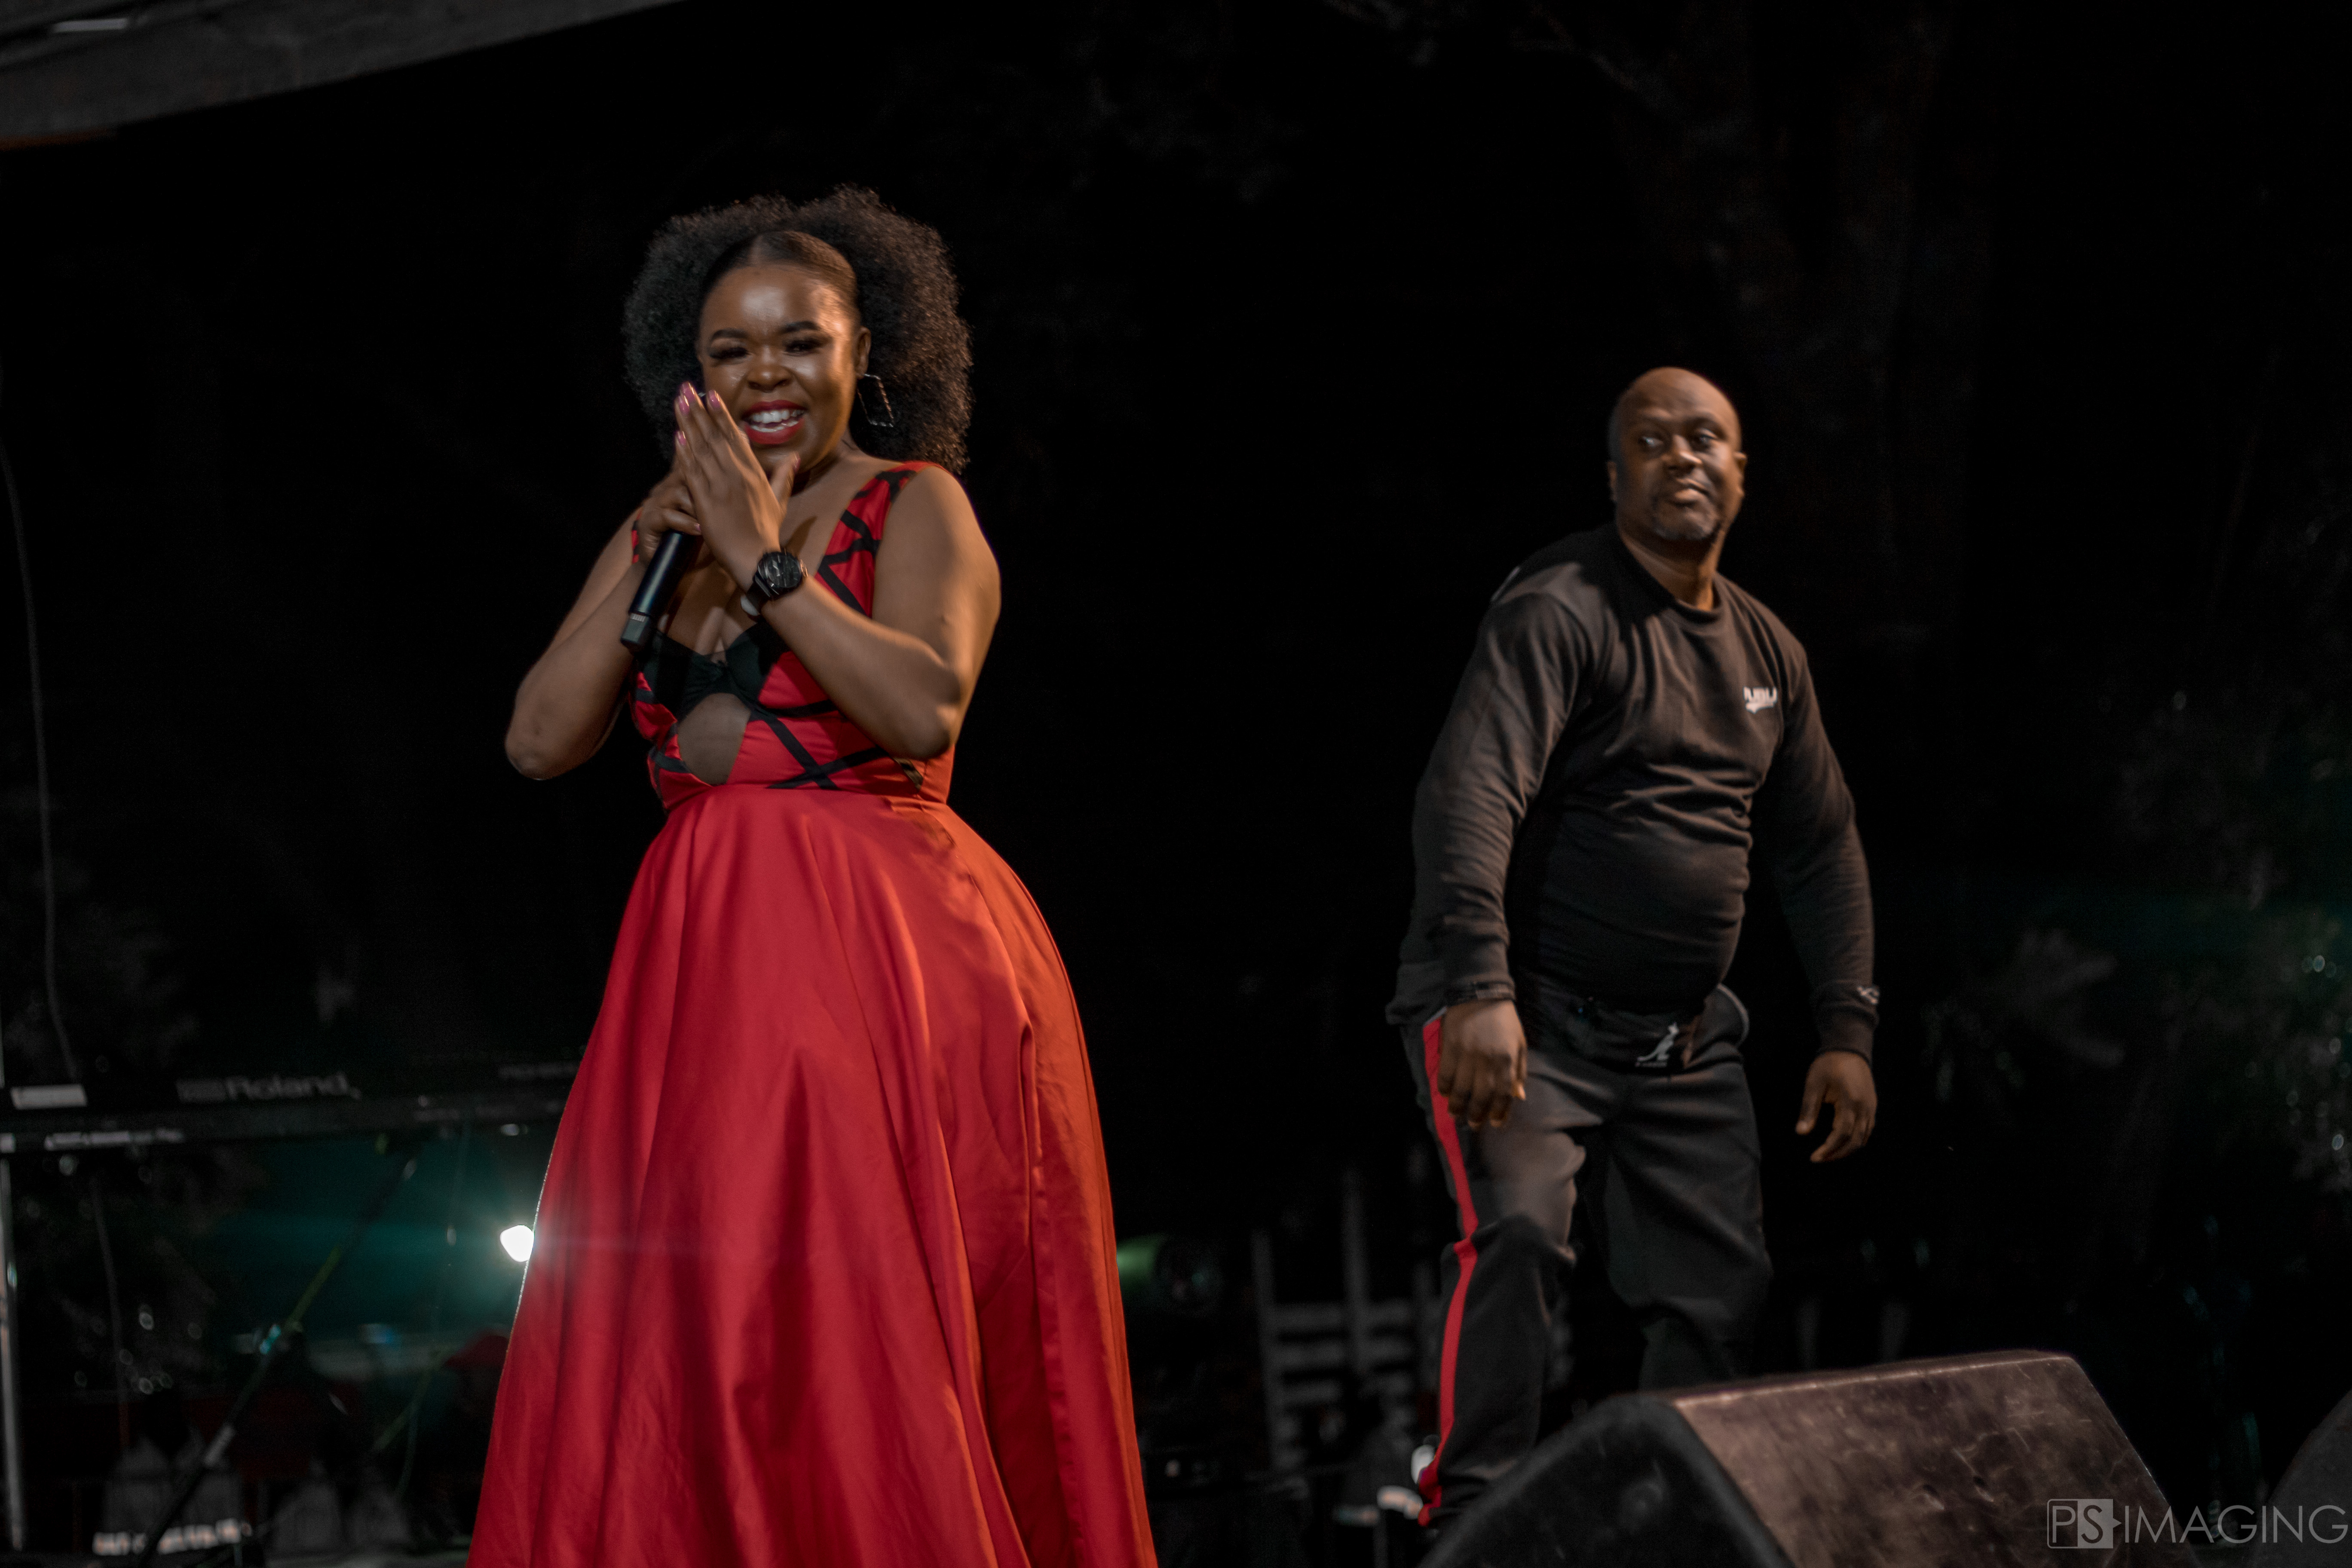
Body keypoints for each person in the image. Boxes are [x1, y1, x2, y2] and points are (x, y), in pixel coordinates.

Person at [475, 189, 1156, 1568]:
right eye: (731, 352)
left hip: (882, 956)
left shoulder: (918, 506)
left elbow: (922, 710)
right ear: (692, 373)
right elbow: (540, 740)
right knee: (705, 1327)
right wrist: (669, 546)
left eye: (801, 342)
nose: (765, 375)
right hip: (705, 969)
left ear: (870, 358)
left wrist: (765, 560)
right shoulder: (661, 534)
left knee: (862, 1326)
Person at [1389, 367, 1880, 1530]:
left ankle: (1670, 1523)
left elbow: (1822, 849)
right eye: (1653, 443)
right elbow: (1467, 797)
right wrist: (1480, 988)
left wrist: (1847, 1030)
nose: (1685, 459)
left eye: (1707, 439)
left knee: (1720, 1294)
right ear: (1616, 477)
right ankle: (1470, 1519)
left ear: (1742, 470)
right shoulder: (1560, 609)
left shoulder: (1770, 655)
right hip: (1529, 1016)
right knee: (1514, 1236)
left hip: (1683, 1041)